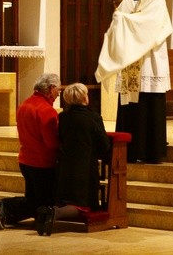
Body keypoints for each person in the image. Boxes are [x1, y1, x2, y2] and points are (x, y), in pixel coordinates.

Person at [95, 0, 173, 164]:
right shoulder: (127, 0)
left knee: (149, 105)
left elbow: (151, 24)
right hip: (131, 62)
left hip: (149, 59)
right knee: (131, 108)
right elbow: (119, 22)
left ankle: (151, 152)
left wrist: (125, 21)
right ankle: (130, 151)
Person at [0, 73, 61, 230]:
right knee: (40, 202)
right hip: (42, 162)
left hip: (25, 160)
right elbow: (51, 143)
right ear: (51, 89)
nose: (59, 93)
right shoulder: (47, 111)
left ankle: (4, 214)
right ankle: (3, 206)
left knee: (34, 199)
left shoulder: (24, 105)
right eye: (58, 89)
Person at [35, 83, 111, 236]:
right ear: (84, 97)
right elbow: (104, 145)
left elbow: (60, 138)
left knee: (69, 199)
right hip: (84, 169)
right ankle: (54, 213)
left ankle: (52, 211)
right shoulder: (93, 117)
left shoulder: (63, 117)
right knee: (83, 205)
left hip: (65, 166)